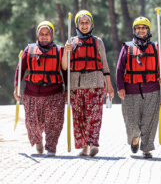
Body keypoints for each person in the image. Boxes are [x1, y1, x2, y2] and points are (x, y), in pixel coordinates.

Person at [62, 10, 114, 157]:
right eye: (81, 23)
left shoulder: (98, 42)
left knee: (94, 116)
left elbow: (104, 65)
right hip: (76, 86)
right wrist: (66, 52)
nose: (84, 25)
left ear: (91, 24)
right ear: (77, 25)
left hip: (96, 84)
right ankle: (83, 146)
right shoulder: (70, 42)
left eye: (87, 23)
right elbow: (65, 67)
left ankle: (93, 144)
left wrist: (109, 86)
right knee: (79, 118)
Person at [116, 17, 161, 159]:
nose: (141, 30)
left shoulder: (156, 47)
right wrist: (120, 87)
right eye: (138, 28)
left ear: (148, 30)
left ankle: (146, 148)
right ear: (134, 30)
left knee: (149, 122)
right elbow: (120, 69)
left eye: (144, 27)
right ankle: (134, 138)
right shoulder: (127, 47)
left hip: (152, 90)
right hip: (131, 91)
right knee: (132, 124)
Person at [14, 21, 66, 156]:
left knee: (54, 121)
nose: (44, 37)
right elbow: (21, 68)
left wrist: (68, 90)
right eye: (41, 34)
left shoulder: (60, 51)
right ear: (37, 35)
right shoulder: (29, 50)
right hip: (32, 93)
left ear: (52, 35)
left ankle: (51, 146)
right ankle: (38, 141)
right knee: (32, 122)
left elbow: (66, 72)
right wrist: (16, 88)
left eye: (47, 34)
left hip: (54, 93)